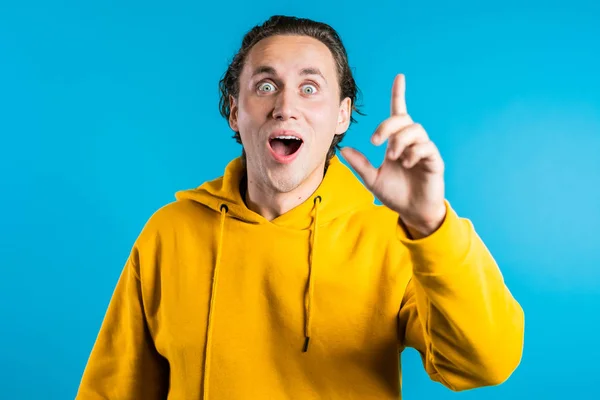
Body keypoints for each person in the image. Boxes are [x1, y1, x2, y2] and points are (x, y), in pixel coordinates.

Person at [76, 15, 525, 400]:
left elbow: (486, 363)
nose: (286, 106)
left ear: (342, 116)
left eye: (310, 87)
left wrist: (429, 224)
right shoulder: (169, 232)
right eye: (266, 85)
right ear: (235, 112)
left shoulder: (395, 240)